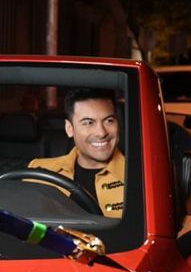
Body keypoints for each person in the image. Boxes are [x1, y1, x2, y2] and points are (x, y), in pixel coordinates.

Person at [27, 88, 125, 218]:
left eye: (109, 121)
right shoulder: (39, 171)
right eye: (88, 123)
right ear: (69, 128)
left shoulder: (142, 175)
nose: (101, 133)